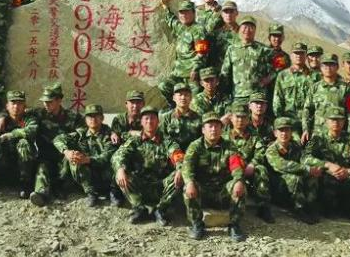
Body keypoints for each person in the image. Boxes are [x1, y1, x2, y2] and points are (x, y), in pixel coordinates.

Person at [182, 113, 248, 241]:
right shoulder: (195, 146)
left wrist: (239, 180)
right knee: (187, 187)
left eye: (217, 126)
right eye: (210, 126)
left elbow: (236, 166)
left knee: (240, 186)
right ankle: (197, 224)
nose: (214, 129)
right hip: (203, 192)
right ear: (203, 130)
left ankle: (234, 225)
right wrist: (189, 182)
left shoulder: (230, 146)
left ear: (221, 129)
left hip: (223, 192)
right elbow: (187, 166)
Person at [303, 106, 350, 221]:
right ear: (326, 121)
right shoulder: (317, 139)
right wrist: (327, 165)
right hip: (326, 177)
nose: (336, 123)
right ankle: (318, 208)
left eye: (339, 120)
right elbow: (305, 157)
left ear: (344, 122)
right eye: (332, 120)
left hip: (345, 176)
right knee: (312, 175)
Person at [112, 107, 182, 225]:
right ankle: (139, 208)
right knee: (121, 174)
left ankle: (160, 210)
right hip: (140, 185)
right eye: (146, 118)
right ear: (141, 122)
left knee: (179, 174)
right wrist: (120, 169)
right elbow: (119, 155)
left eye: (153, 118)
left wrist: (180, 168)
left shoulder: (167, 141)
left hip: (161, 185)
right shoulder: (134, 140)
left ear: (158, 121)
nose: (149, 121)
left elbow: (177, 155)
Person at [54, 104, 120, 207]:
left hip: (104, 174)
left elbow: (106, 157)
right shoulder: (81, 133)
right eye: (89, 116)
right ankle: (90, 193)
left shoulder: (109, 135)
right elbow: (58, 139)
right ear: (85, 119)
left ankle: (113, 192)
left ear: (102, 118)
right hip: (87, 175)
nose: (92, 119)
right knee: (74, 157)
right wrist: (67, 152)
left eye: (96, 116)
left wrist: (88, 160)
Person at [29, 83, 85, 205]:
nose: (45, 104)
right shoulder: (38, 114)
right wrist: (3, 117)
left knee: (68, 163)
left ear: (59, 100)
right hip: (45, 156)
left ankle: (60, 187)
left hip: (64, 157)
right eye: (44, 101)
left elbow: (83, 132)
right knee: (42, 168)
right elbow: (17, 113)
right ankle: (41, 193)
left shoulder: (73, 117)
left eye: (49, 101)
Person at [224, 103, 274, 223]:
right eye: (237, 117)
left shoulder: (254, 135)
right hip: (228, 170)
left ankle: (263, 207)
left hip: (247, 169)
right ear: (231, 118)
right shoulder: (224, 135)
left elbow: (261, 151)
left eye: (243, 117)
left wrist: (253, 163)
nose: (240, 120)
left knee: (261, 170)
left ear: (248, 119)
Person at [265, 118, 321, 224]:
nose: (284, 133)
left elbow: (304, 158)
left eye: (287, 130)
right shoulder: (271, 149)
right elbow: (281, 165)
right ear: (275, 133)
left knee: (312, 176)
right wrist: (307, 169)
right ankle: (298, 209)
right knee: (295, 178)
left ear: (291, 132)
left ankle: (310, 205)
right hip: (277, 186)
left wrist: (315, 167)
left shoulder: (295, 146)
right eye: (281, 130)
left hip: (294, 186)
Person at [157, 0, 210, 105]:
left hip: (192, 75)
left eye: (187, 12)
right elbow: (172, 20)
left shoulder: (198, 30)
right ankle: (174, 108)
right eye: (181, 12)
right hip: (178, 74)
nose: (184, 15)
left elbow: (202, 52)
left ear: (193, 13)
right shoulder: (181, 27)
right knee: (163, 86)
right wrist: (165, 6)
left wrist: (195, 69)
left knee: (194, 102)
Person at [303, 53, 350, 143]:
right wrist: (306, 129)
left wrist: (349, 133)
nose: (328, 68)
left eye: (331, 65)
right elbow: (307, 109)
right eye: (325, 65)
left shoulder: (346, 88)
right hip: (318, 135)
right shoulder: (315, 88)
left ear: (337, 67)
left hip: (340, 137)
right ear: (320, 68)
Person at [220, 16, 274, 102]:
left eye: (251, 27)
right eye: (245, 27)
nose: (247, 30)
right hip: (238, 96)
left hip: (258, 97)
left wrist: (266, 80)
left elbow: (276, 69)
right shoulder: (232, 49)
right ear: (240, 29)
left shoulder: (263, 50)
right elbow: (225, 73)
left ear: (255, 30)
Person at [272, 42, 313, 130]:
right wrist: (280, 120)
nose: (298, 56)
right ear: (291, 55)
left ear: (306, 56)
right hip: (288, 121)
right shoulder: (283, 75)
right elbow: (277, 100)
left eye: (301, 53)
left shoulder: (313, 76)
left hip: (309, 122)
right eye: (296, 53)